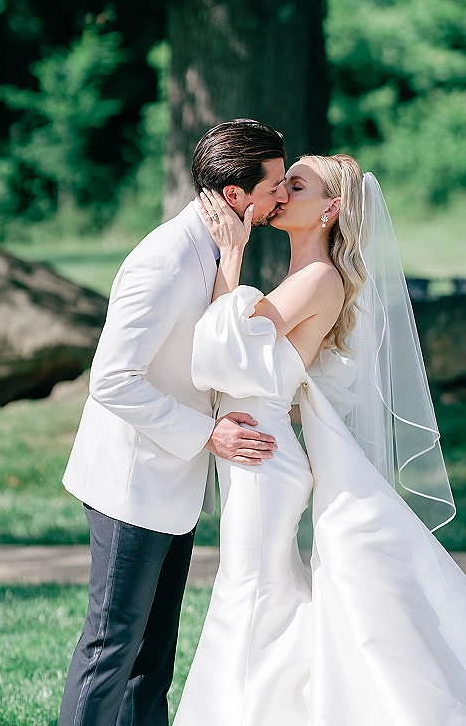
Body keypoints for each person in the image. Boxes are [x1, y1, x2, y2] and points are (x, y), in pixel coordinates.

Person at [173, 154, 466, 725]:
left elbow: (222, 353)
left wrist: (230, 254)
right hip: (258, 454)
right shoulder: (300, 277)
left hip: (263, 462)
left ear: (329, 209)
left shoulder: (318, 279)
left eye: (296, 184)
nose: (280, 191)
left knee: (247, 597)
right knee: (264, 598)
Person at [59, 119, 286, 726]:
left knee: (153, 663)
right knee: (113, 648)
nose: (282, 198)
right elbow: (109, 378)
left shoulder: (213, 250)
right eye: (274, 188)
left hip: (175, 485)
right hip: (130, 487)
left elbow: (205, 354)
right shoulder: (164, 258)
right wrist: (207, 435)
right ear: (236, 196)